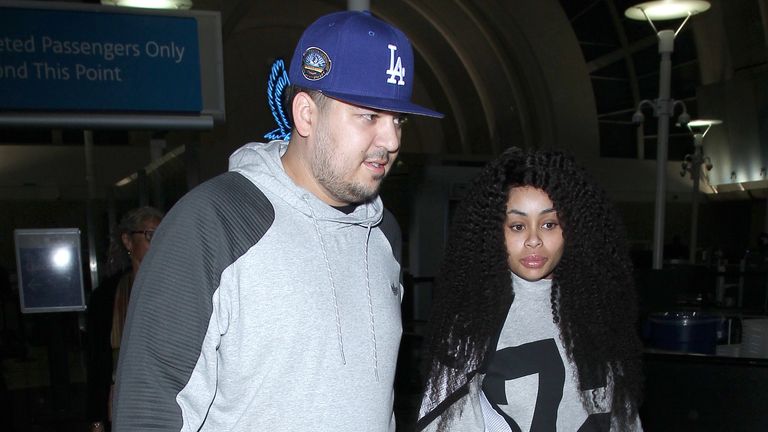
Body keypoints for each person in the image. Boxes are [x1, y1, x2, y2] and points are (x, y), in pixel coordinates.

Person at [112, 10, 442, 432]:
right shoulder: (214, 223)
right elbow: (149, 410)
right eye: (369, 116)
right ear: (306, 114)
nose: (392, 140)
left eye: (398, 119)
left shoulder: (383, 233)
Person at [417, 148, 644, 431]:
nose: (534, 240)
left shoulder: (598, 308)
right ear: (493, 231)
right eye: (517, 226)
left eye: (549, 224)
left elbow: (623, 418)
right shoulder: (474, 321)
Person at [86, 206, 164, 432]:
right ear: (128, 242)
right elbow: (97, 360)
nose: (158, 242)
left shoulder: (174, 289)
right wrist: (97, 419)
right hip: (122, 401)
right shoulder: (108, 295)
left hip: (165, 399)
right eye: (150, 236)